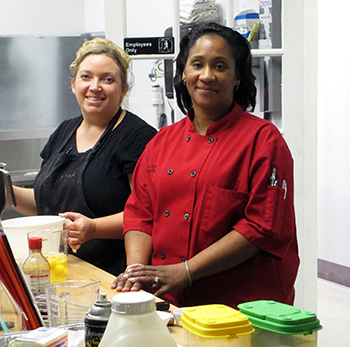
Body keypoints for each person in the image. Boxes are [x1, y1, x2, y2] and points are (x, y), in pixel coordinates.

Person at [111, 23, 299, 308]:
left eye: (220, 66)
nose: (207, 75)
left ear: (237, 78)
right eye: (197, 64)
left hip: (240, 306)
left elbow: (261, 227)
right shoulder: (162, 142)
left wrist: (186, 271)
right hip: (167, 299)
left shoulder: (263, 141)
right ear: (184, 74)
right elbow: (140, 213)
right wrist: (137, 272)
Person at [0, 38, 156, 276]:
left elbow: (148, 214)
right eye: (86, 77)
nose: (95, 86)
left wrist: (93, 228)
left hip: (111, 275)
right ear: (74, 84)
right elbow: (46, 204)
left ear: (123, 89)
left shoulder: (138, 137)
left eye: (107, 79)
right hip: (59, 266)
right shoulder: (64, 131)